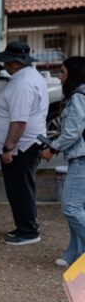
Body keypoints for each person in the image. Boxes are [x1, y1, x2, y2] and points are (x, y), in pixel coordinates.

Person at [0, 41, 49, 245]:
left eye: (6, 61)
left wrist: (8, 148)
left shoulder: (22, 84)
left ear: (15, 63)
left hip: (21, 146)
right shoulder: (30, 77)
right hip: (26, 144)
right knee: (22, 187)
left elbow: (19, 121)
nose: (4, 65)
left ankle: (28, 231)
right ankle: (24, 225)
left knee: (20, 189)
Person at [41, 56, 85, 267]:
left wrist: (53, 148)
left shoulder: (78, 97)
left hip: (81, 159)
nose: (60, 77)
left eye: (63, 72)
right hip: (80, 157)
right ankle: (74, 254)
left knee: (71, 208)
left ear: (74, 74)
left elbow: (72, 132)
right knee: (76, 208)